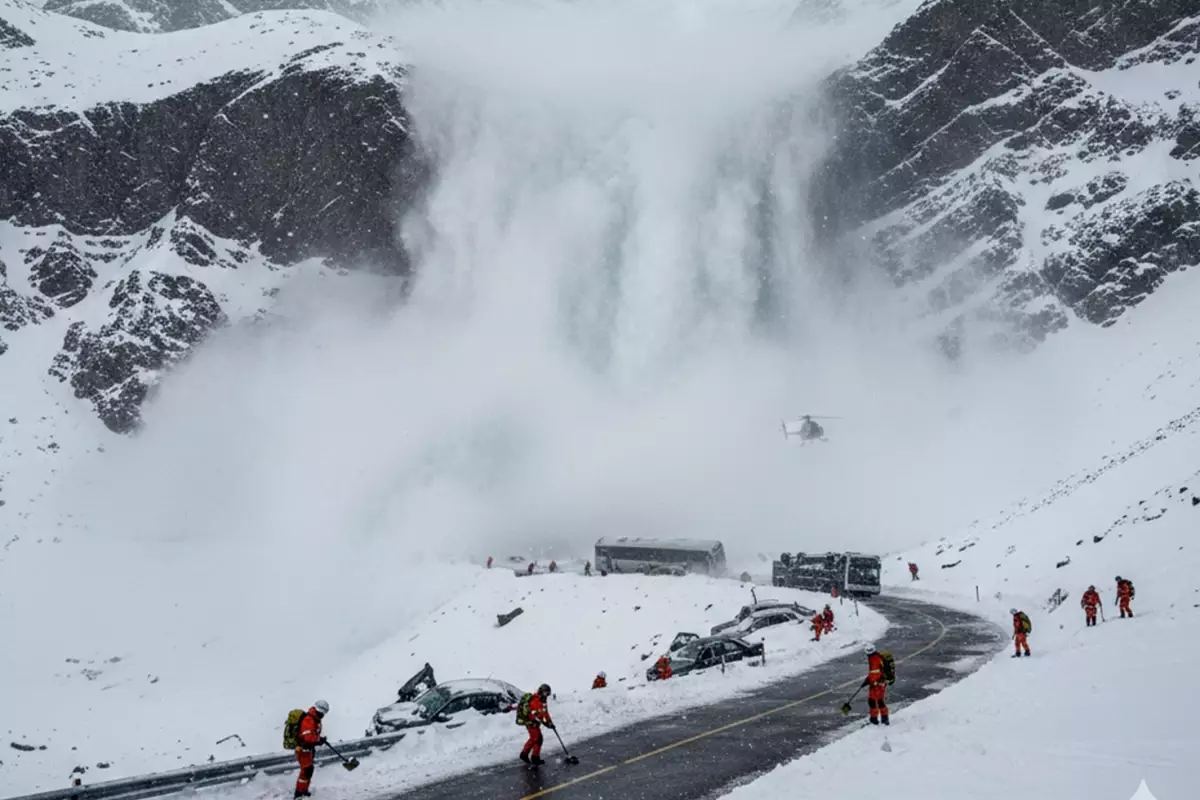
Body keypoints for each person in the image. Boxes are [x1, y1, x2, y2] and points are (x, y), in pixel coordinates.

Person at [294, 700, 329, 799]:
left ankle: (304, 790)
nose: (324, 714)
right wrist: (318, 740)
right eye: (324, 712)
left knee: (308, 770)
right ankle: (298, 794)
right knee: (306, 771)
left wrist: (319, 739)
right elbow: (308, 736)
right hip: (303, 749)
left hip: (308, 749)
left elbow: (312, 734)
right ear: (320, 710)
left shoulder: (315, 718)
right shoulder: (309, 719)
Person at [519, 684, 555, 765]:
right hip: (531, 723)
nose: (547, 696)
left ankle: (524, 754)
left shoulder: (543, 700)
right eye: (546, 693)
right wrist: (545, 723)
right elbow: (533, 714)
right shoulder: (534, 700)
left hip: (536, 723)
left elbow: (545, 712)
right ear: (541, 692)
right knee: (538, 739)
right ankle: (535, 758)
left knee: (533, 739)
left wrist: (550, 722)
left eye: (548, 694)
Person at [862, 644, 889, 725]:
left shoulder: (874, 659)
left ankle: (874, 720)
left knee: (872, 701)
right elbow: (874, 672)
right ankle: (884, 719)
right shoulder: (877, 656)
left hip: (877, 684)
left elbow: (875, 673)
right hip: (881, 682)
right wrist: (868, 679)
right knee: (879, 700)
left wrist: (871, 681)